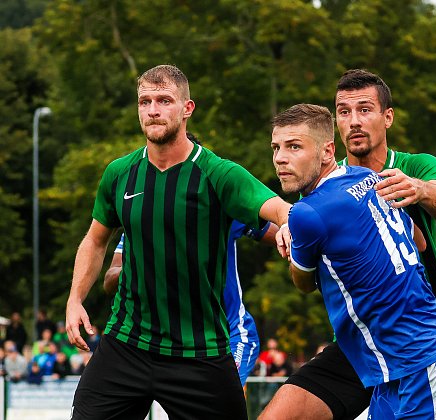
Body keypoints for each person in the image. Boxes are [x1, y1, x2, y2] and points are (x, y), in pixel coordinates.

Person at [65, 64, 291, 420]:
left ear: (187, 109)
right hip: (126, 345)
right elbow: (95, 240)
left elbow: (277, 207)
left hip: (199, 352)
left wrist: (289, 222)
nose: (153, 110)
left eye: (164, 100)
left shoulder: (219, 174)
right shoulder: (119, 173)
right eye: (145, 101)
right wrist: (75, 298)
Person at [261, 69, 436, 420]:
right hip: (364, 346)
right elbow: (414, 239)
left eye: (364, 109)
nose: (354, 121)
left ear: (387, 117)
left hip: (419, 341)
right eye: (344, 112)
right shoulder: (358, 180)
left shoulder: (413, 167)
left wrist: (420, 189)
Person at [104, 217, 277, 386]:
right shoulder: (138, 223)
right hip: (181, 345)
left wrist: (295, 238)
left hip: (231, 335)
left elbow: (280, 234)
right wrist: (142, 265)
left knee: (218, 405)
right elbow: (109, 281)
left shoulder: (217, 209)